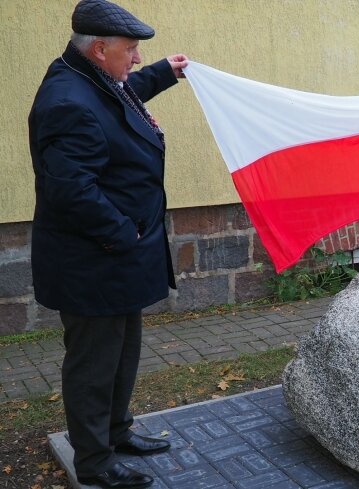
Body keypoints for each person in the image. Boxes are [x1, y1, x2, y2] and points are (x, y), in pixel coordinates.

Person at [28, 0, 188, 487]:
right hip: (94, 260)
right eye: (132, 50)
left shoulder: (89, 79)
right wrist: (125, 233)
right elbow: (70, 189)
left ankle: (117, 432)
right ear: (99, 49)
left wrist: (163, 73)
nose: (136, 59)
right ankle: (94, 462)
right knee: (94, 366)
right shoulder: (65, 100)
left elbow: (119, 100)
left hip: (118, 257)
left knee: (123, 354)